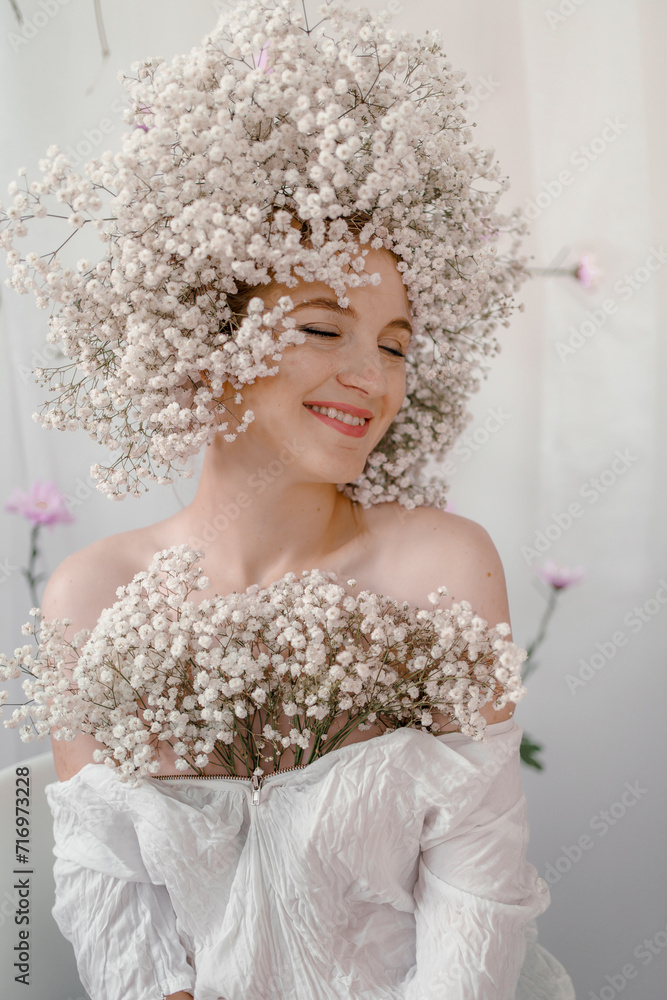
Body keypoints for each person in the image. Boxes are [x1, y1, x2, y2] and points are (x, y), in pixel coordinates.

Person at [2, 1, 577, 995]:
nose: (372, 375)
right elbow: (107, 896)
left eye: (396, 342)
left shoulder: (440, 568)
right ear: (205, 329)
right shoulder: (88, 602)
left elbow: (478, 895)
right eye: (323, 326)